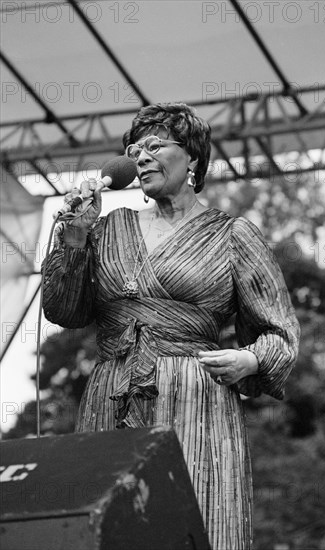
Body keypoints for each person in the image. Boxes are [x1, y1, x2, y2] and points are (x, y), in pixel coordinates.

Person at [43, 102, 300, 550]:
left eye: (155, 145)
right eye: (133, 148)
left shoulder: (232, 235)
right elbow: (64, 310)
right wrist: (75, 236)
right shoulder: (106, 230)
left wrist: (250, 358)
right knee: (111, 527)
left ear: (193, 159)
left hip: (196, 398)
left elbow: (280, 332)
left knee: (197, 522)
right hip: (112, 392)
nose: (140, 156)